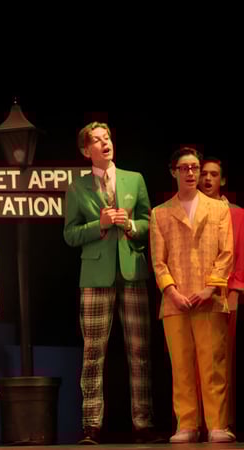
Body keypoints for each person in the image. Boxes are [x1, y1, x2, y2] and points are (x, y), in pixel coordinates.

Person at [63, 122, 157, 444]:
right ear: (85, 150)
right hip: (95, 276)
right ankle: (92, 425)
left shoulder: (134, 179)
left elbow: (148, 223)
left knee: (140, 351)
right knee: (93, 352)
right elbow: (70, 234)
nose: (105, 143)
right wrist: (98, 225)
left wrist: (129, 224)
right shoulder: (77, 188)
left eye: (107, 138)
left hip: (132, 271)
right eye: (97, 140)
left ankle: (142, 423)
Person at [151, 147, 235, 443]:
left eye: (195, 168)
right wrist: (171, 291)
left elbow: (227, 253)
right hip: (175, 302)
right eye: (184, 168)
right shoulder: (160, 213)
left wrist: (210, 287)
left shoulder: (218, 209)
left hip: (209, 299)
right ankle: (186, 423)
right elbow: (158, 261)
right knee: (182, 366)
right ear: (173, 171)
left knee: (213, 365)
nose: (190, 173)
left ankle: (217, 424)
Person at [199, 157, 243, 433]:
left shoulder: (237, 213)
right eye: (204, 173)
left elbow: (239, 255)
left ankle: (222, 422)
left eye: (213, 174)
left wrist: (236, 290)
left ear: (222, 180)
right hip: (192, 295)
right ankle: (195, 423)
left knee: (222, 359)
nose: (207, 179)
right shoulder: (187, 208)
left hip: (225, 293)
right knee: (193, 359)